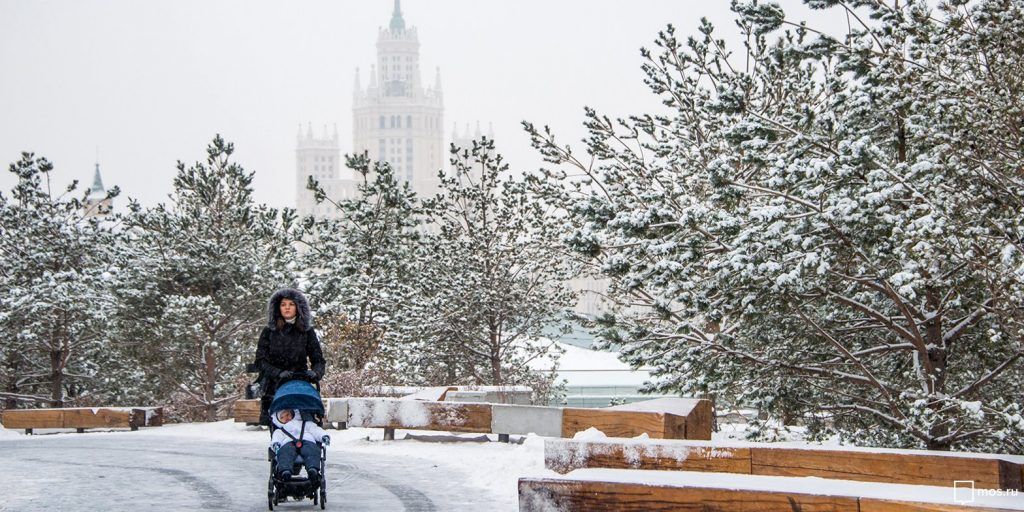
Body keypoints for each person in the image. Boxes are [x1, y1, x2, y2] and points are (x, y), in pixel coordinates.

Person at [254, 288, 327, 426]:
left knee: (306, 422)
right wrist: (278, 373)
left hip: (300, 381)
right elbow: (260, 361)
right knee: (278, 425)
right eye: (283, 304)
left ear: (298, 307)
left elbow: (318, 359)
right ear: (277, 308)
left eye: (291, 304)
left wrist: (316, 373)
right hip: (275, 383)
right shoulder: (269, 332)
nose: (287, 308)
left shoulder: (307, 332)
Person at [271, 408, 331, 483]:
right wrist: (276, 444)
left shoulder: (306, 424)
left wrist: (323, 436)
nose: (285, 418)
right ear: (278, 420)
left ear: (293, 414)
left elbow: (315, 430)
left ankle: (312, 469)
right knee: (285, 452)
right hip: (288, 443)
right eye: (282, 417)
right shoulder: (280, 430)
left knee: (312, 450)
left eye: (287, 415)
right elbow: (276, 437)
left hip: (307, 440)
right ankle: (285, 470)